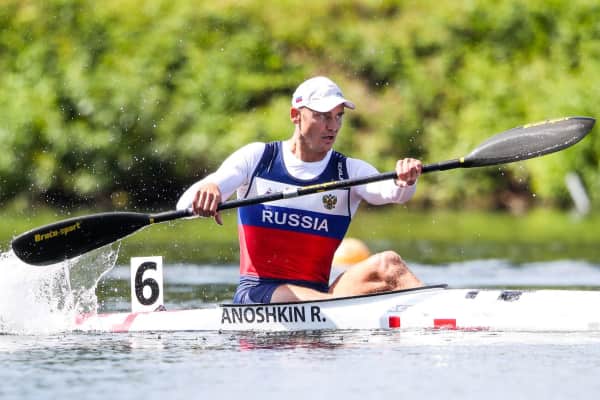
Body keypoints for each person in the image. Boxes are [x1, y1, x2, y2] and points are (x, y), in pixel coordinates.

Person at [177, 76, 423, 304]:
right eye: (323, 116)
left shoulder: (348, 170)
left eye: (338, 116)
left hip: (320, 297)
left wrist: (405, 180)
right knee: (308, 298)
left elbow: (392, 192)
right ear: (295, 115)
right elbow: (184, 206)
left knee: (389, 264)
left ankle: (436, 313)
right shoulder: (258, 158)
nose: (333, 126)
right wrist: (208, 191)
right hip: (259, 294)